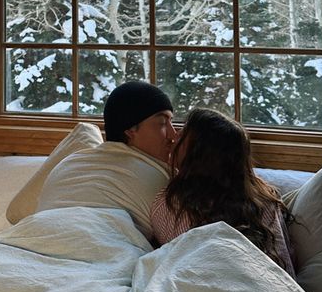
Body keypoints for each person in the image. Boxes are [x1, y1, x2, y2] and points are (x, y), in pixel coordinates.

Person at [150, 107, 296, 277]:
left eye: (183, 133)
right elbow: (287, 270)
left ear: (199, 153)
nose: (174, 135)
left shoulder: (171, 202)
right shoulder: (263, 198)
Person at [36, 80, 178, 239]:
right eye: (162, 123)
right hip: (44, 234)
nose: (173, 135)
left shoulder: (69, 161)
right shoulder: (161, 175)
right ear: (130, 130)